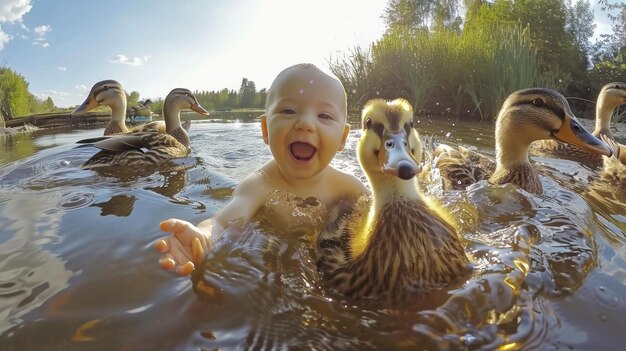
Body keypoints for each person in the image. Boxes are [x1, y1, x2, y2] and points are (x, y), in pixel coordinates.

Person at [155, 63, 369, 275]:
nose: (305, 123)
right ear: (266, 129)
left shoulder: (348, 188)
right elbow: (222, 223)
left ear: (342, 138)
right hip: (274, 263)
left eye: (324, 116)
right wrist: (202, 237)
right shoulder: (259, 185)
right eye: (289, 110)